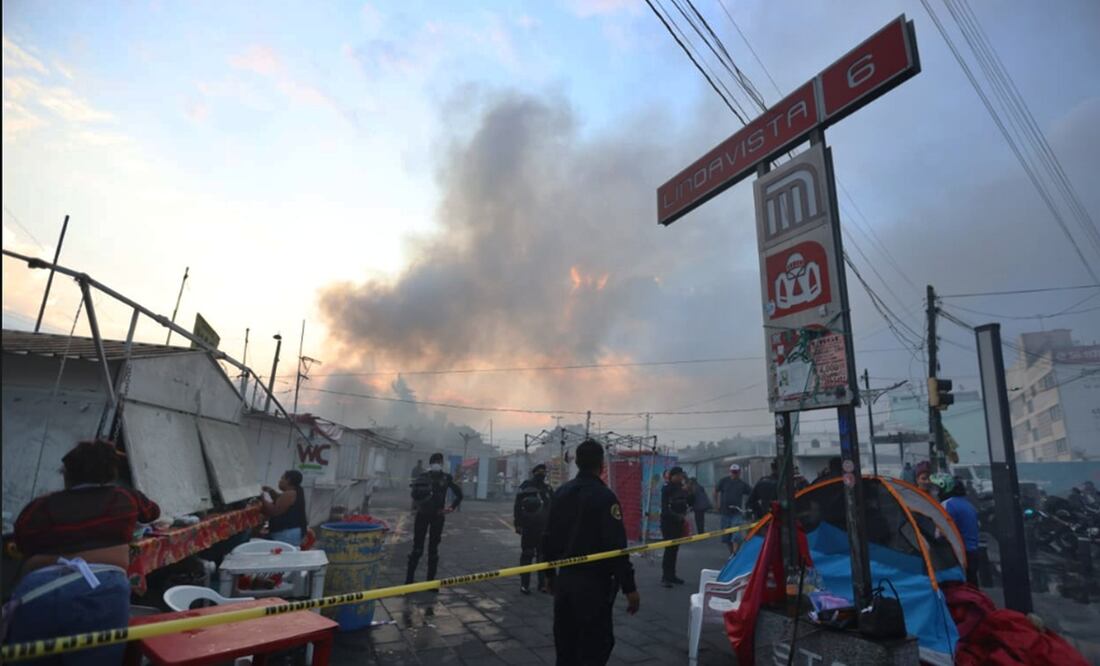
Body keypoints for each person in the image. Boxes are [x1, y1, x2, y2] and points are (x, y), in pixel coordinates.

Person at [7, 439, 161, 665]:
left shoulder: (39, 507)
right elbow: (153, 513)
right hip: (102, 589)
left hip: (38, 591)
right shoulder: (125, 497)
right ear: (111, 473)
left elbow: (21, 543)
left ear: (67, 475)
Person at [543, 439, 640, 666]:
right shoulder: (605, 498)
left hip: (565, 582)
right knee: (596, 646)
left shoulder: (561, 493)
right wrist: (630, 588)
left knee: (565, 645)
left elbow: (548, 538)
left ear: (576, 462)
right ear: (602, 465)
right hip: (594, 586)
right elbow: (616, 547)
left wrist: (549, 575)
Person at [406, 453, 463, 584]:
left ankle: (428, 581)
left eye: (439, 461)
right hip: (426, 516)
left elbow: (459, 495)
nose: (438, 463)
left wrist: (451, 508)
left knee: (432, 550)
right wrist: (451, 507)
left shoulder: (441, 477)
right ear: (432, 463)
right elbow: (414, 494)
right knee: (418, 549)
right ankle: (410, 581)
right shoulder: (431, 477)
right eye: (436, 461)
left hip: (434, 516)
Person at [933, 474, 980, 586]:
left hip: (958, 555)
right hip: (973, 553)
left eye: (937, 489)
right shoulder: (969, 505)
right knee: (972, 588)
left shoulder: (947, 504)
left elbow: (939, 534)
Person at [514, 463, 554, 594]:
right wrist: (518, 524)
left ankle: (542, 584)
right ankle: (524, 584)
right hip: (529, 527)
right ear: (534, 473)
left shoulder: (547, 488)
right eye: (539, 472)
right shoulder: (526, 486)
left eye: (544, 472)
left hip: (545, 527)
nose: (542, 474)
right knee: (527, 555)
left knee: (542, 557)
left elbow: (553, 506)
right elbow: (517, 506)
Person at [659, 466, 692, 587]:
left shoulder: (681, 487)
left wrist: (688, 488)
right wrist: (677, 516)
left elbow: (689, 500)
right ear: (672, 476)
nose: (680, 477)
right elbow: (665, 509)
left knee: (675, 550)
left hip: (679, 523)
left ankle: (672, 575)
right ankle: (665, 577)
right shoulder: (666, 488)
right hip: (668, 523)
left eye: (681, 475)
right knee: (669, 550)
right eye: (678, 475)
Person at [262, 470, 307, 546]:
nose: (279, 481)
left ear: (288, 480)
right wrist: (270, 491)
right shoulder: (296, 491)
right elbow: (279, 499)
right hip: (291, 533)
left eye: (282, 478)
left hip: (286, 535)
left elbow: (274, 511)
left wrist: (262, 498)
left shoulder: (290, 494)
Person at [714, 464, 752, 554]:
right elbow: (716, 491)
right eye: (733, 472)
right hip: (725, 512)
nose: (734, 474)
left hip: (737, 512)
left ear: (739, 472)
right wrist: (717, 504)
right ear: (730, 472)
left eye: (736, 472)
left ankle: (735, 553)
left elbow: (751, 493)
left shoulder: (742, 484)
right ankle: (731, 553)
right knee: (726, 536)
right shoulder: (724, 481)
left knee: (736, 535)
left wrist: (749, 505)